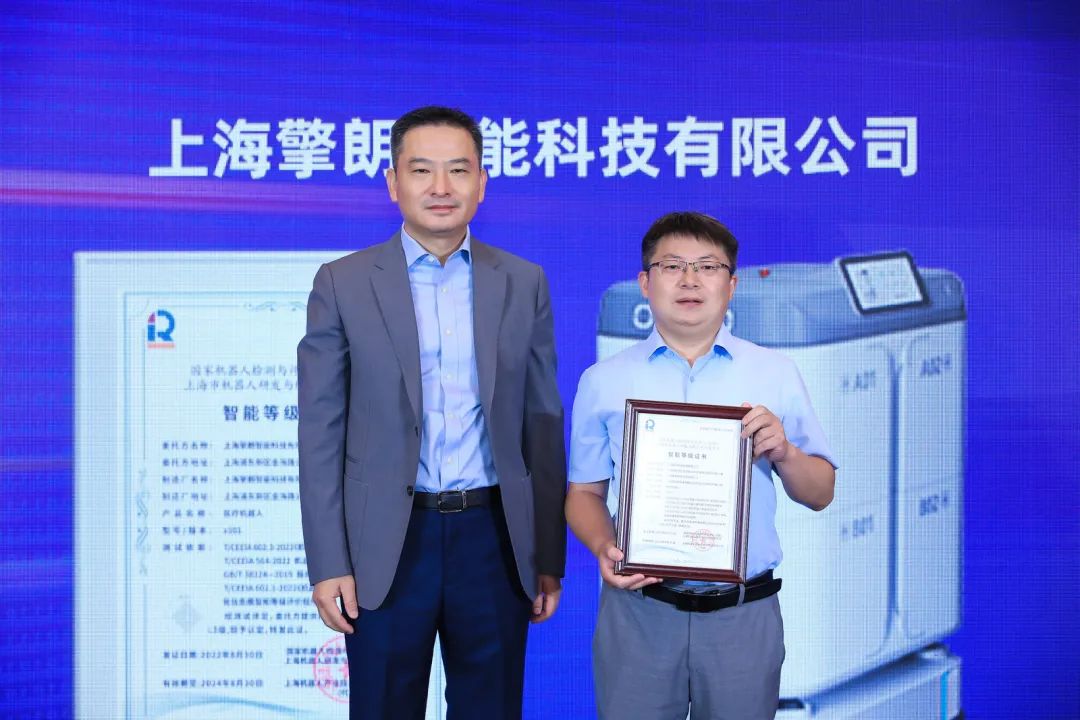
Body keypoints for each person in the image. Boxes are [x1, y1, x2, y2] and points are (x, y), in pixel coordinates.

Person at [298, 105, 566, 719]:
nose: (441, 187)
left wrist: (546, 557)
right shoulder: (342, 283)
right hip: (387, 544)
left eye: (458, 170)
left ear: (482, 183)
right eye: (421, 170)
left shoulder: (523, 281)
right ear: (393, 183)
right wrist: (329, 562)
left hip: (493, 540)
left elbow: (542, 423)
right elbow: (319, 433)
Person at [565, 211, 836, 719]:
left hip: (742, 616)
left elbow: (820, 492)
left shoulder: (775, 373)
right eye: (672, 266)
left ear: (731, 286)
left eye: (708, 267)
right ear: (645, 283)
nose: (690, 280)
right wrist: (604, 546)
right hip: (640, 614)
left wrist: (785, 452)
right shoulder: (603, 381)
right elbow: (583, 494)